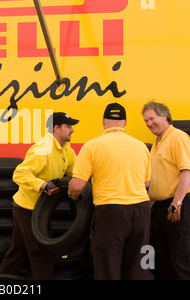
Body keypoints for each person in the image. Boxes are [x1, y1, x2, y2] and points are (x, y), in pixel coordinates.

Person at [68, 102, 151, 280]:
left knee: (108, 269)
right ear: (125, 122)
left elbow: (76, 186)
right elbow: (146, 182)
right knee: (139, 269)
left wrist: (72, 196)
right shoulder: (141, 147)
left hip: (110, 212)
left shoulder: (92, 146)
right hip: (141, 211)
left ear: (103, 121)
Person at [0, 112, 79, 279]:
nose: (72, 130)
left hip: (41, 209)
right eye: (68, 126)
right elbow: (19, 174)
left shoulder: (67, 151)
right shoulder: (43, 149)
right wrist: (42, 184)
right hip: (28, 209)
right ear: (56, 128)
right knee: (41, 252)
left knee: (18, 252)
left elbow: (76, 175)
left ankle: (0, 281)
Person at [142, 101, 190, 280]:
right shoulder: (157, 143)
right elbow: (156, 183)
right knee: (164, 262)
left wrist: (176, 204)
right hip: (160, 207)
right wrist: (145, 208)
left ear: (164, 116)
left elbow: (187, 171)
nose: (149, 123)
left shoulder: (178, 137)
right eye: (146, 121)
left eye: (151, 118)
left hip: (178, 205)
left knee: (180, 260)